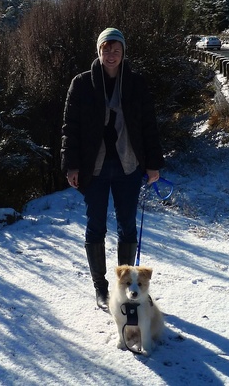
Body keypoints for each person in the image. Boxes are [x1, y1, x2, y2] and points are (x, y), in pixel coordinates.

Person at [61, 27, 164, 310]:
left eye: (116, 50)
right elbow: (69, 129)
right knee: (95, 226)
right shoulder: (81, 83)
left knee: (127, 226)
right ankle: (100, 288)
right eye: (106, 49)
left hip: (128, 165)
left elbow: (149, 125)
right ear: (99, 51)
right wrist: (71, 165)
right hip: (92, 167)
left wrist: (153, 164)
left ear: (123, 53)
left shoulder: (136, 83)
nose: (111, 55)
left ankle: (127, 288)